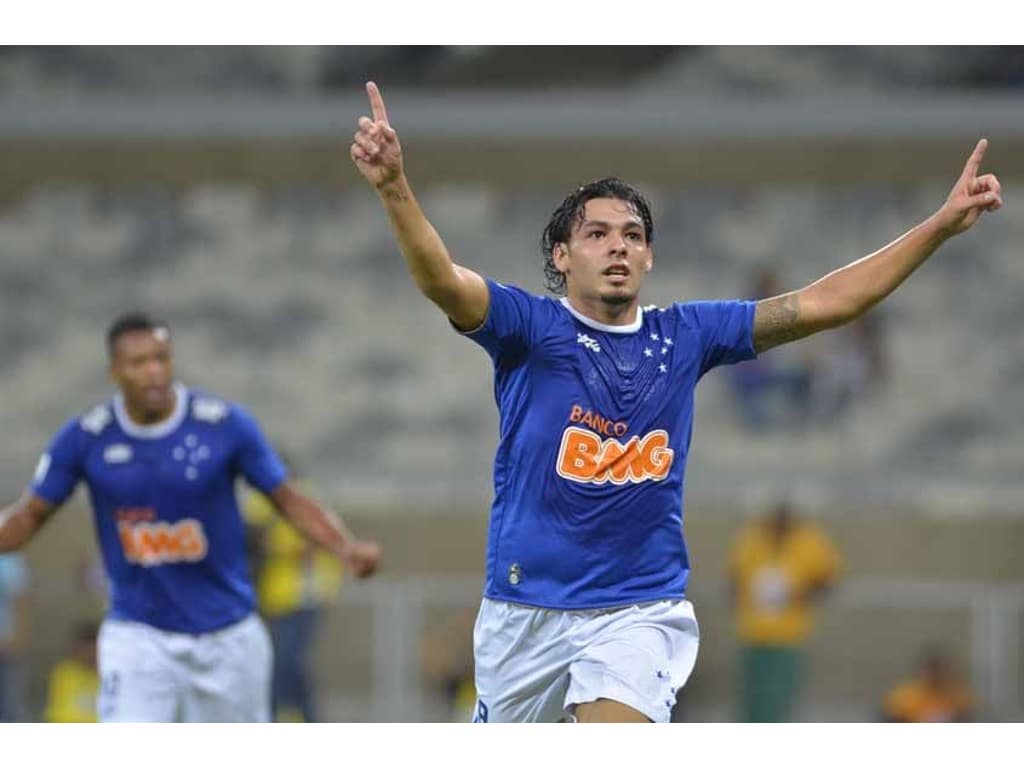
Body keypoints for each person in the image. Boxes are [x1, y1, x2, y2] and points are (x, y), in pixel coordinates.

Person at [350, 81, 1002, 723]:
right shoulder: (529, 329)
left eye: (632, 235)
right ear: (562, 255)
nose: (617, 246)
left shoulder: (686, 335)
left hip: (638, 610)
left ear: (650, 256)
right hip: (525, 615)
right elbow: (441, 280)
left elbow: (830, 303)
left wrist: (940, 227)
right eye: (598, 234)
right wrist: (394, 188)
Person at [0, 312, 381, 722]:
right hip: (139, 635)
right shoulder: (86, 438)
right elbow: (29, 516)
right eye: (139, 362)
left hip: (228, 636)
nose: (154, 372)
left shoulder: (223, 425)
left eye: (161, 358)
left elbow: (286, 498)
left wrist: (344, 546)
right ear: (114, 371)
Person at [244, 463, 344, 723]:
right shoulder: (261, 497)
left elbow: (309, 540)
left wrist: (268, 544)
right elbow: (249, 532)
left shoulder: (301, 496)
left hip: (304, 594)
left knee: (286, 663)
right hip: (273, 597)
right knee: (288, 666)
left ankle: (280, 718)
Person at [727, 500, 841, 721]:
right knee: (753, 696)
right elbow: (733, 578)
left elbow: (827, 581)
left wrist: (801, 595)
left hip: (789, 634)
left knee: (779, 696)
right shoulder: (752, 540)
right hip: (753, 632)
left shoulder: (810, 542)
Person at [881, 647, 974, 722]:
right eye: (930, 670)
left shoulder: (956, 696)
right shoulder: (904, 697)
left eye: (939, 670)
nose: (934, 675)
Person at [44, 621, 101, 723]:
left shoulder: (107, 674)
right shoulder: (64, 673)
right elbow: (58, 714)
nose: (89, 654)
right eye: (85, 649)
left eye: (93, 649)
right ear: (77, 648)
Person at [0, 553, 29, 722]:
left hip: (6, 646)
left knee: (11, 708)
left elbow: (23, 602)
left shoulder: (9, 560)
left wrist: (18, 638)